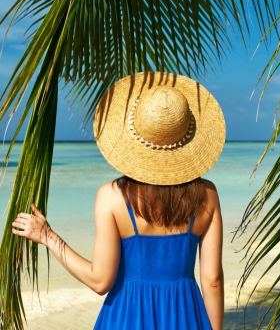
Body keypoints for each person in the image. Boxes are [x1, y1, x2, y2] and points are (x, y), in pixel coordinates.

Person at [12, 72, 226, 329]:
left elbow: (100, 281)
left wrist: (47, 236)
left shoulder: (111, 197)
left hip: (126, 318)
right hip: (185, 316)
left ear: (133, 138)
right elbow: (212, 279)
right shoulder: (207, 195)